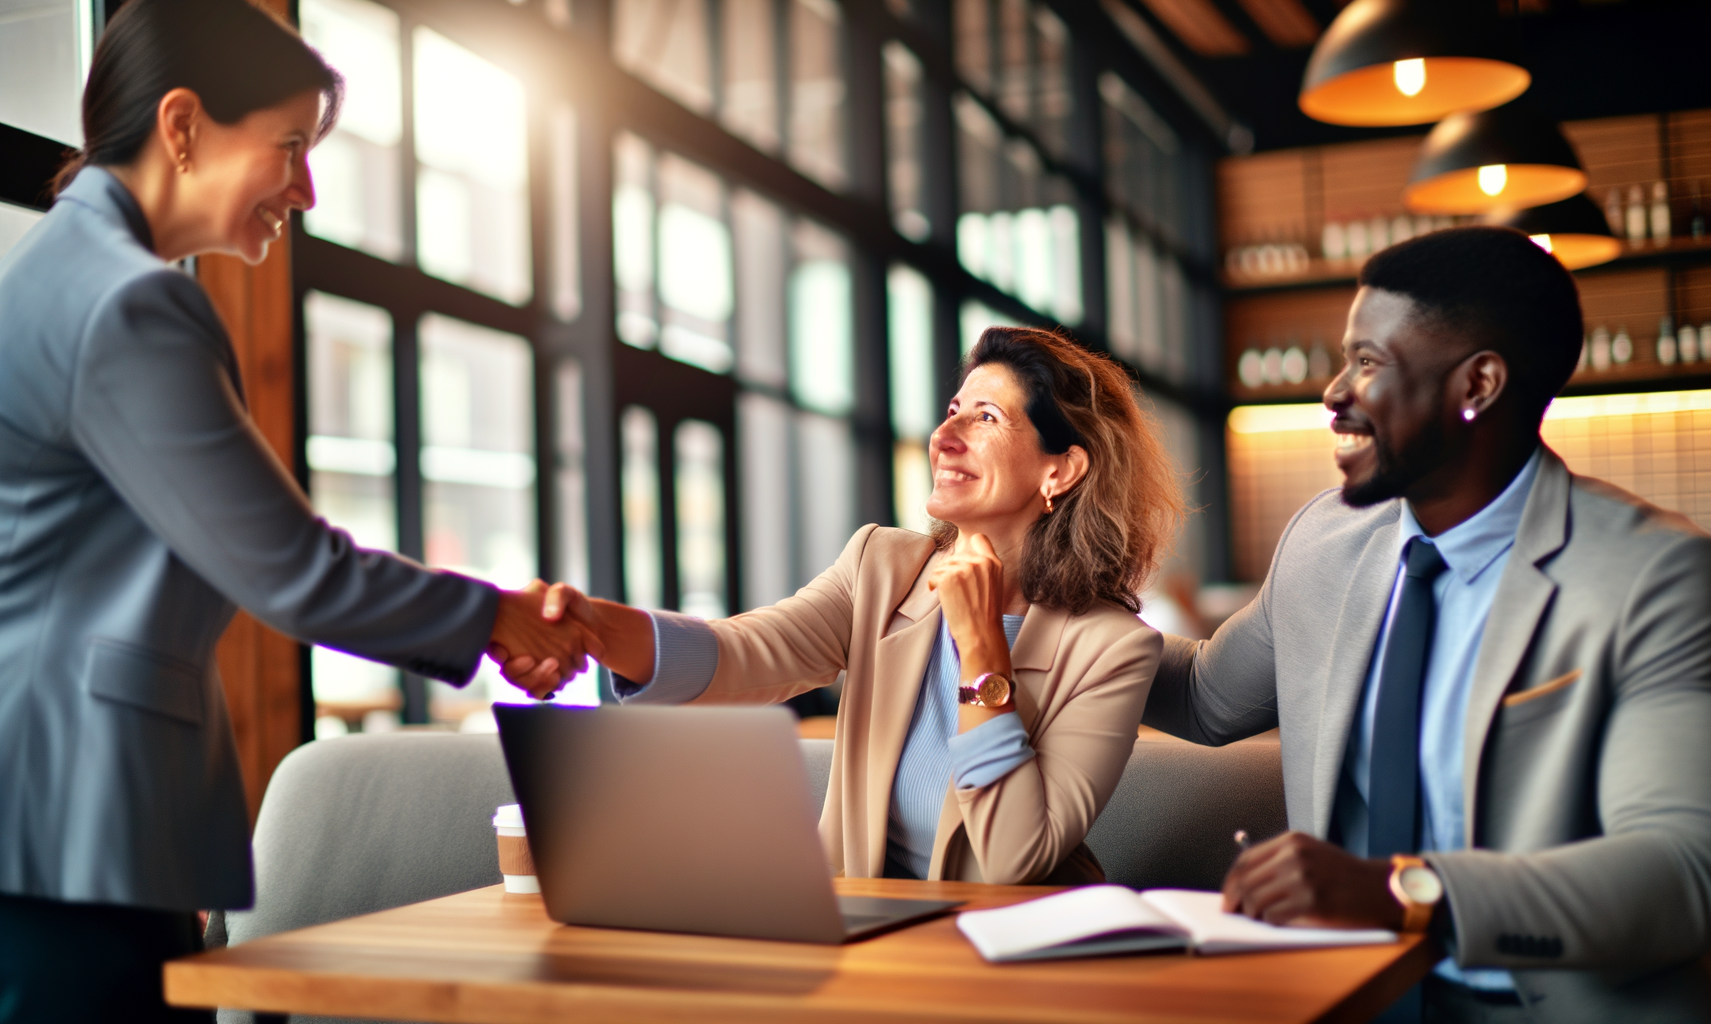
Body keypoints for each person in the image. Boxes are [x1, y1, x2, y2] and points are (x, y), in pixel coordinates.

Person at [0, 1, 592, 1019]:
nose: (307, 189)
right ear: (182, 126)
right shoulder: (131, 300)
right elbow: (289, 568)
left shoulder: (56, 275)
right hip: (73, 810)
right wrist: (493, 618)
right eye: (288, 147)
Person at [1144, 226, 1711, 1022]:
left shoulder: (1652, 572)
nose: (1333, 392)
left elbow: (1678, 878)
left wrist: (1402, 890)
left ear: (1478, 385)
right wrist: (1020, 607)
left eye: (1367, 362)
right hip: (1348, 1001)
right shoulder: (1324, 543)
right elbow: (1203, 698)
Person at [512, 327, 1183, 884]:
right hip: (869, 940)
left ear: (1060, 470)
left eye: (986, 418)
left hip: (1013, 958)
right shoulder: (880, 567)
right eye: (953, 411)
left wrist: (981, 649)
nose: (945, 437)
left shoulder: (1113, 648)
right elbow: (741, 654)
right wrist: (593, 628)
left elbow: (1014, 858)